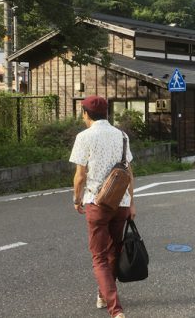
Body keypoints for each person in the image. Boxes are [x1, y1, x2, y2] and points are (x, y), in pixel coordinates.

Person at [70, 95, 135, 318]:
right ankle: (103, 294)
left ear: (86, 114)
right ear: (107, 113)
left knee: (99, 257)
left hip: (97, 204)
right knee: (113, 252)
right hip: (121, 203)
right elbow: (129, 173)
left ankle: (115, 310)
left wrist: (77, 199)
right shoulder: (122, 136)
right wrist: (132, 203)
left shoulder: (84, 137)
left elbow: (80, 176)